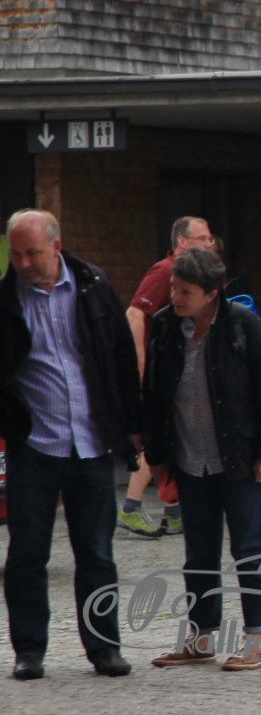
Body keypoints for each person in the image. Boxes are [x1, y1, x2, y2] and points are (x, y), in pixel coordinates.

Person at [0, 209, 139, 679]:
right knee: (27, 555)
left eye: (33, 253)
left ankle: (104, 648)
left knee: (96, 554)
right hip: (35, 445)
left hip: (91, 443)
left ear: (56, 247)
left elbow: (121, 356)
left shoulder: (93, 286)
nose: (23, 263)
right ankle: (29, 651)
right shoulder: (6, 299)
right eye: (16, 254)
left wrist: (132, 425)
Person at [143, 248, 261, 672]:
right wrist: (157, 455)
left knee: (251, 550)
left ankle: (256, 640)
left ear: (212, 293)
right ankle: (201, 638)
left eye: (185, 291)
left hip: (241, 458)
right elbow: (153, 393)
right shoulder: (165, 325)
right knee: (198, 553)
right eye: (174, 288)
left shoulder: (243, 324)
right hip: (191, 459)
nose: (176, 297)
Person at [120, 215, 216, 537]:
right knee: (157, 437)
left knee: (176, 435)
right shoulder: (165, 271)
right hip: (161, 372)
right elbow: (135, 313)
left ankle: (174, 511)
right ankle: (131, 506)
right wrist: (140, 364)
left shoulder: (201, 274)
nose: (209, 244)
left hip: (181, 371)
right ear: (182, 242)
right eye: (202, 239)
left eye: (210, 239)